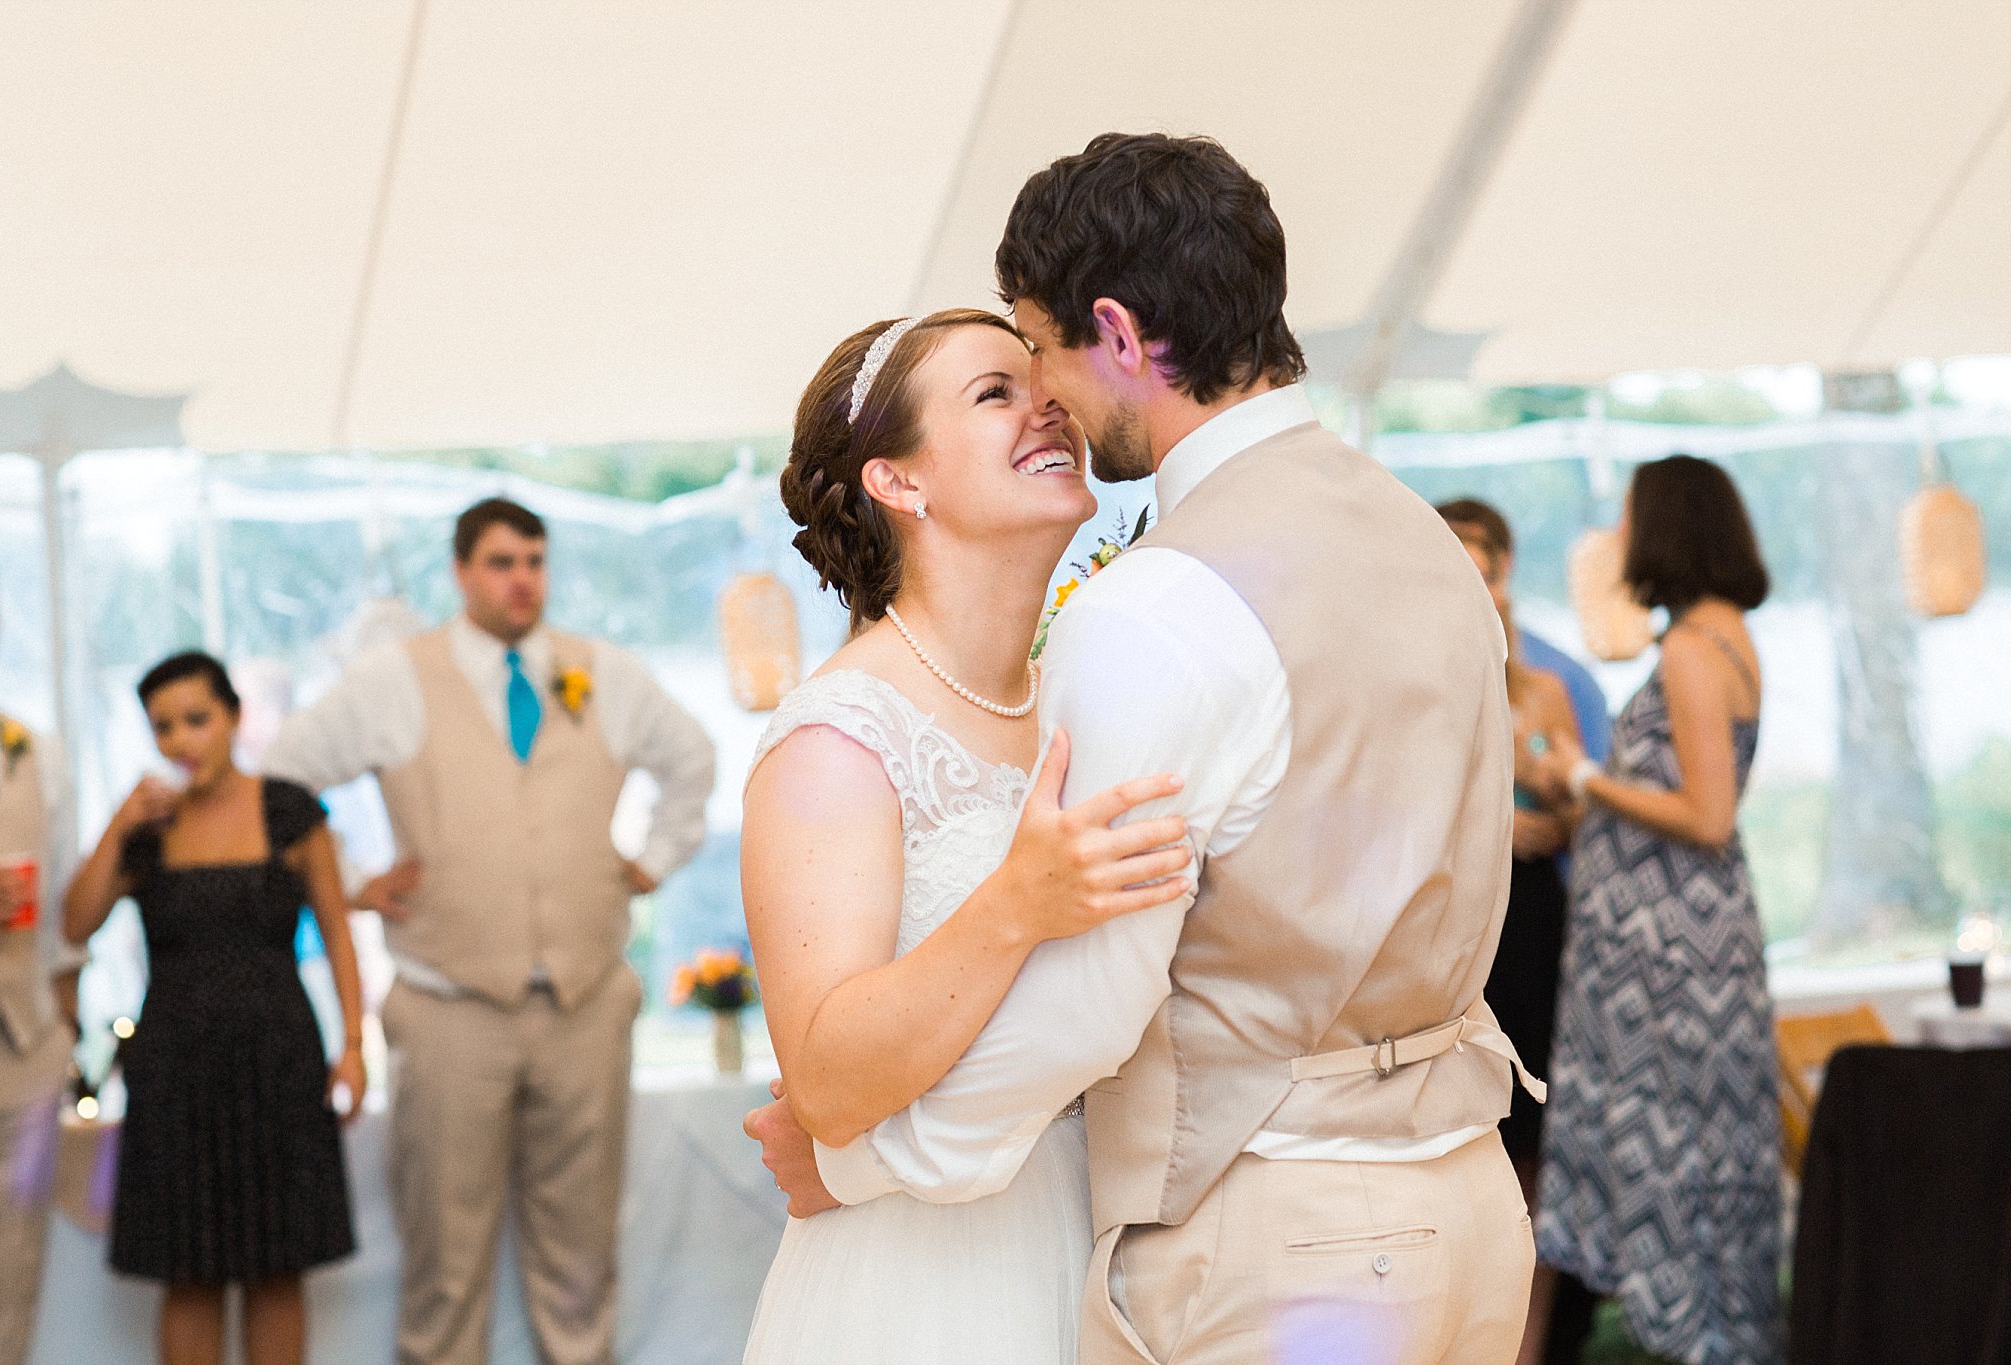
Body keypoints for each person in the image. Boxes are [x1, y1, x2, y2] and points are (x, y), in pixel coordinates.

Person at [754, 133, 1539, 1364]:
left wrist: (857, 1158)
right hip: (1468, 1204)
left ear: (1116, 334)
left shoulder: (1158, 609)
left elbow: (1090, 1011)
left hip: (1284, 1234)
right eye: (998, 386)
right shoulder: (1423, 543)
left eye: (1041, 354)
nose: (1046, 399)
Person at [738, 308, 1194, 1364]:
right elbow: (826, 1085)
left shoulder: (1085, 689)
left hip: (1116, 1250)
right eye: (993, 393)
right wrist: (1014, 906)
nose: (1049, 405)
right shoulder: (836, 737)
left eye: (1042, 381)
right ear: (898, 483)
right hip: (929, 1291)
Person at [261, 496, 716, 1365]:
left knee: (583, 1252)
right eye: (503, 562)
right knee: (445, 1253)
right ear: (462, 572)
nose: (523, 580)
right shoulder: (397, 677)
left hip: (584, 998)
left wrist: (653, 859)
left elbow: (692, 758)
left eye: (535, 561)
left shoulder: (601, 670)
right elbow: (284, 778)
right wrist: (355, 883)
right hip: (447, 1005)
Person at [1529, 454, 1783, 1365]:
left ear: (1670, 527)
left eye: (1634, 519)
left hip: (1668, 955)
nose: (1623, 540)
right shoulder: (1725, 632)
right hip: (1687, 940)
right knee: (1708, 1143)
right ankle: (1714, 1322)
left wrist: (1585, 776)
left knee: (1675, 1140)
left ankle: (1695, 1329)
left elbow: (1708, 815)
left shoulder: (1688, 649)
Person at [63, 651, 364, 1365]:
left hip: (278, 1059)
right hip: (173, 1070)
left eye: (197, 719)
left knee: (278, 1263)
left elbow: (337, 931)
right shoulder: (145, 828)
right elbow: (75, 922)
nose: (182, 741)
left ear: (234, 716)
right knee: (188, 1270)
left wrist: (353, 1042)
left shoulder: (290, 810)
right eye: (163, 727)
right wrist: (117, 821)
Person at [1437, 500, 1587, 1365]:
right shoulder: (1419, 678)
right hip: (1462, 923)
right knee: (1472, 1136)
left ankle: (1529, 1344)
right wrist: (1497, 829)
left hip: (1533, 924)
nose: (1475, 582)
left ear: (1504, 576)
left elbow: (1577, 807)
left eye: (1485, 565)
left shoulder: (1546, 686)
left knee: (1534, 1144)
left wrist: (1553, 795)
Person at [0, 550, 80, 1365]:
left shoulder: (34, 746)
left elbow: (66, 906)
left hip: (21, 1047)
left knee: (8, 1280)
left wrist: (66, 1031)